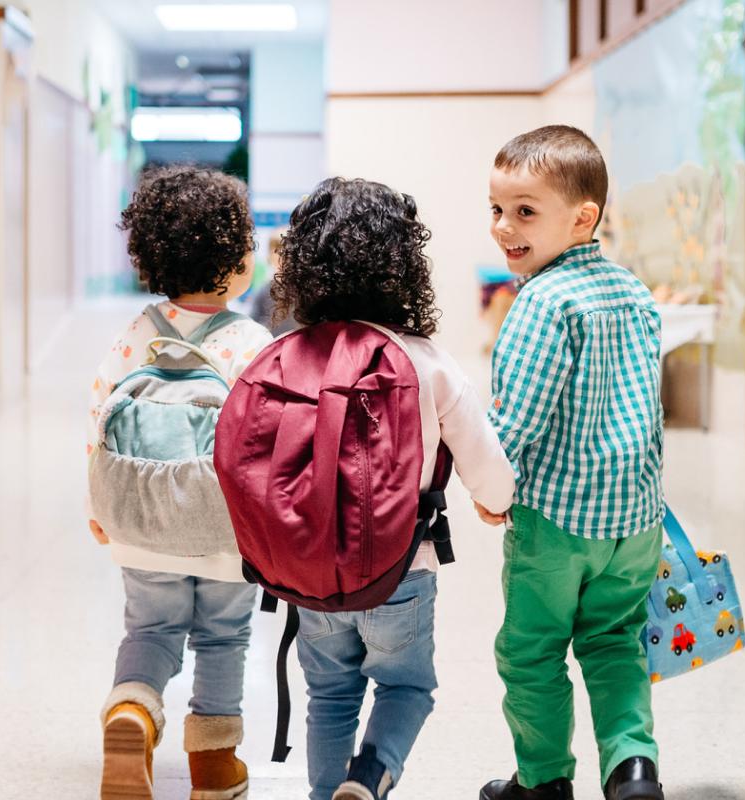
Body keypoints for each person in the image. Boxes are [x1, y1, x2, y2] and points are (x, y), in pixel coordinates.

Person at [270, 177, 516, 800]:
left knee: (328, 694)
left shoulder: (287, 355)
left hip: (309, 569)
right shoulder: (424, 358)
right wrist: (495, 502)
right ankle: (370, 777)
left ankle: (329, 794)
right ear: (403, 266)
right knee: (406, 687)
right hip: (401, 566)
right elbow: (483, 459)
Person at [478, 126, 668, 800]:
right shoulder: (634, 293)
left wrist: (488, 487)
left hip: (557, 525)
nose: (505, 227)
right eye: (497, 208)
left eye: (525, 211)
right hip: (635, 522)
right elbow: (648, 407)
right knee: (615, 643)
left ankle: (543, 782)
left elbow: (514, 421)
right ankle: (632, 770)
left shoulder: (541, 302)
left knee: (531, 654)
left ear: (582, 216)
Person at [87, 165, 273, 800]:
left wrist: (99, 507)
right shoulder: (252, 341)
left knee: (149, 629)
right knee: (224, 635)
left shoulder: (133, 336)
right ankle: (214, 768)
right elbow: (267, 443)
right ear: (234, 262)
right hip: (223, 528)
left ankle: (132, 715)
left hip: (140, 521)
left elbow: (98, 419)